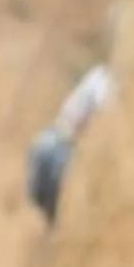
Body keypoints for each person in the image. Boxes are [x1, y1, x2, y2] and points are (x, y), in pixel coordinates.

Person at [24, 58, 115, 226]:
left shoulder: (109, 85)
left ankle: (55, 217)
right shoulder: (98, 75)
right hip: (59, 131)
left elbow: (104, 116)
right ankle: (45, 209)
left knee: (59, 172)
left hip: (75, 144)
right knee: (39, 149)